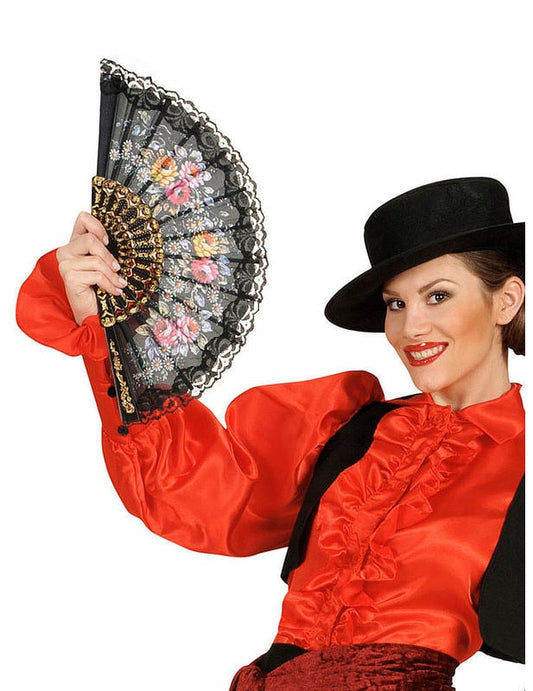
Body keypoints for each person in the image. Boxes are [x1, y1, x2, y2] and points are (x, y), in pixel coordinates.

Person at [16, 176, 524, 690]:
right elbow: (197, 494)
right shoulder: (353, 427)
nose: (411, 327)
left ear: (506, 301)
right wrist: (106, 321)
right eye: (396, 304)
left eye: (437, 296)